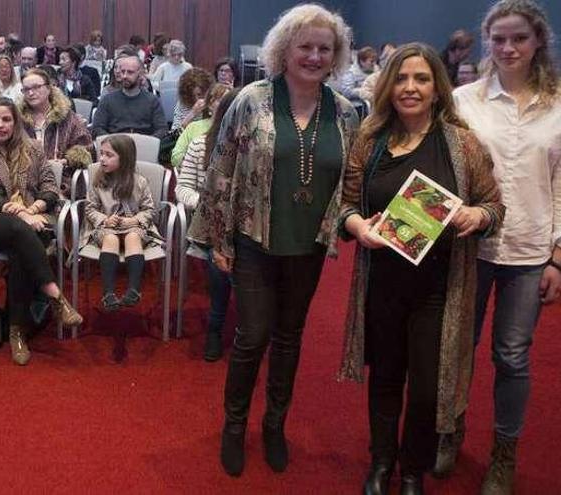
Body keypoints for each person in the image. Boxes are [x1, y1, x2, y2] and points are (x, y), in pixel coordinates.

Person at [187, 3, 360, 477]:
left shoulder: (346, 112)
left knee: (289, 339)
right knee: (252, 336)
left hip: (309, 246)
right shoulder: (251, 99)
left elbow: (352, 181)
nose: (314, 55)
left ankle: (275, 426)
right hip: (253, 241)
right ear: (285, 49)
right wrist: (216, 239)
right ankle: (234, 426)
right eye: (305, 46)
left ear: (336, 55)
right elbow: (220, 169)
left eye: (325, 48)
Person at [338, 43, 504, 495]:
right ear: (389, 86)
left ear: (437, 89)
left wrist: (478, 216)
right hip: (383, 285)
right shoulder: (370, 141)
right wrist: (357, 226)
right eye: (402, 79)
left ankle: (413, 469)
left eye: (422, 79)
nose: (410, 88)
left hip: (439, 288)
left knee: (429, 389)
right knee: (386, 378)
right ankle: (381, 463)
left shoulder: (462, 143)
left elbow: (493, 205)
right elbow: (345, 204)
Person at [452, 2, 561, 493]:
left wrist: (559, 256)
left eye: (518, 38)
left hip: (529, 251)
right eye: (498, 39)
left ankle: (503, 453)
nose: (508, 48)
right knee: (457, 350)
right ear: (486, 41)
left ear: (538, 41)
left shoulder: (559, 107)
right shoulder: (462, 101)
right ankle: (447, 432)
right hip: (468, 248)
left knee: (512, 357)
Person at [0, 98, 83, 365]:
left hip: (34, 217)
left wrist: (34, 209)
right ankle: (56, 296)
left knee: (22, 248)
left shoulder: (33, 148)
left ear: (15, 121)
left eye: (6, 119)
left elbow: (50, 188)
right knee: (19, 229)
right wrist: (21, 213)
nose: (0, 125)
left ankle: (16, 331)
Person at [176, 87, 240, 360]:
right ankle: (215, 328)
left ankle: (247, 330)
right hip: (212, 225)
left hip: (246, 226)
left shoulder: (261, 148)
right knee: (219, 266)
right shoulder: (201, 143)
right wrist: (207, 204)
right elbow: (184, 188)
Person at [84, 135, 160, 310]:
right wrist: (105, 219)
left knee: (133, 237)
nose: (102, 158)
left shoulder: (139, 181)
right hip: (107, 227)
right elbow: (90, 209)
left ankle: (134, 289)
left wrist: (134, 220)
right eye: (101, 154)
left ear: (124, 158)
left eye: (109, 155)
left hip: (133, 225)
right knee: (110, 239)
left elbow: (149, 210)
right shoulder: (98, 181)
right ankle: (108, 293)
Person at [18, 68, 94, 197]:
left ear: (49, 88)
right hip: (25, 180)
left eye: (36, 87)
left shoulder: (67, 117)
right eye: (26, 89)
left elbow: (86, 147)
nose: (31, 93)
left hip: (61, 179)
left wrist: (66, 160)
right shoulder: (17, 119)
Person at [92, 56, 167, 138]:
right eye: (123, 71)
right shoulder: (108, 100)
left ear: (140, 74)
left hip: (144, 144)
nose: (124, 76)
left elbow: (161, 129)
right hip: (114, 145)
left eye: (130, 72)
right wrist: (112, 142)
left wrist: (149, 142)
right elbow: (97, 128)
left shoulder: (152, 101)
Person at [171, 83, 231, 168]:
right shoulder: (193, 127)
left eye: (228, 101)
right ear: (210, 105)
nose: (225, 104)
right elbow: (176, 157)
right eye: (220, 100)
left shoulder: (235, 129)